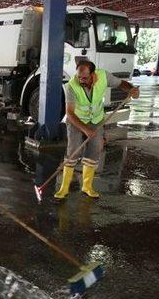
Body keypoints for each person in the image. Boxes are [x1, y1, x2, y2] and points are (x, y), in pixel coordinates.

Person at [54, 60, 139, 199]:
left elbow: (121, 83)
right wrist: (86, 130)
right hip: (76, 120)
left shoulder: (104, 76)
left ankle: (87, 187)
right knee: (73, 150)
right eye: (79, 77)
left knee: (95, 148)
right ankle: (64, 188)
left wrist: (131, 89)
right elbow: (69, 113)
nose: (81, 80)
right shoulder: (71, 86)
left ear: (93, 75)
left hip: (96, 119)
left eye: (85, 77)